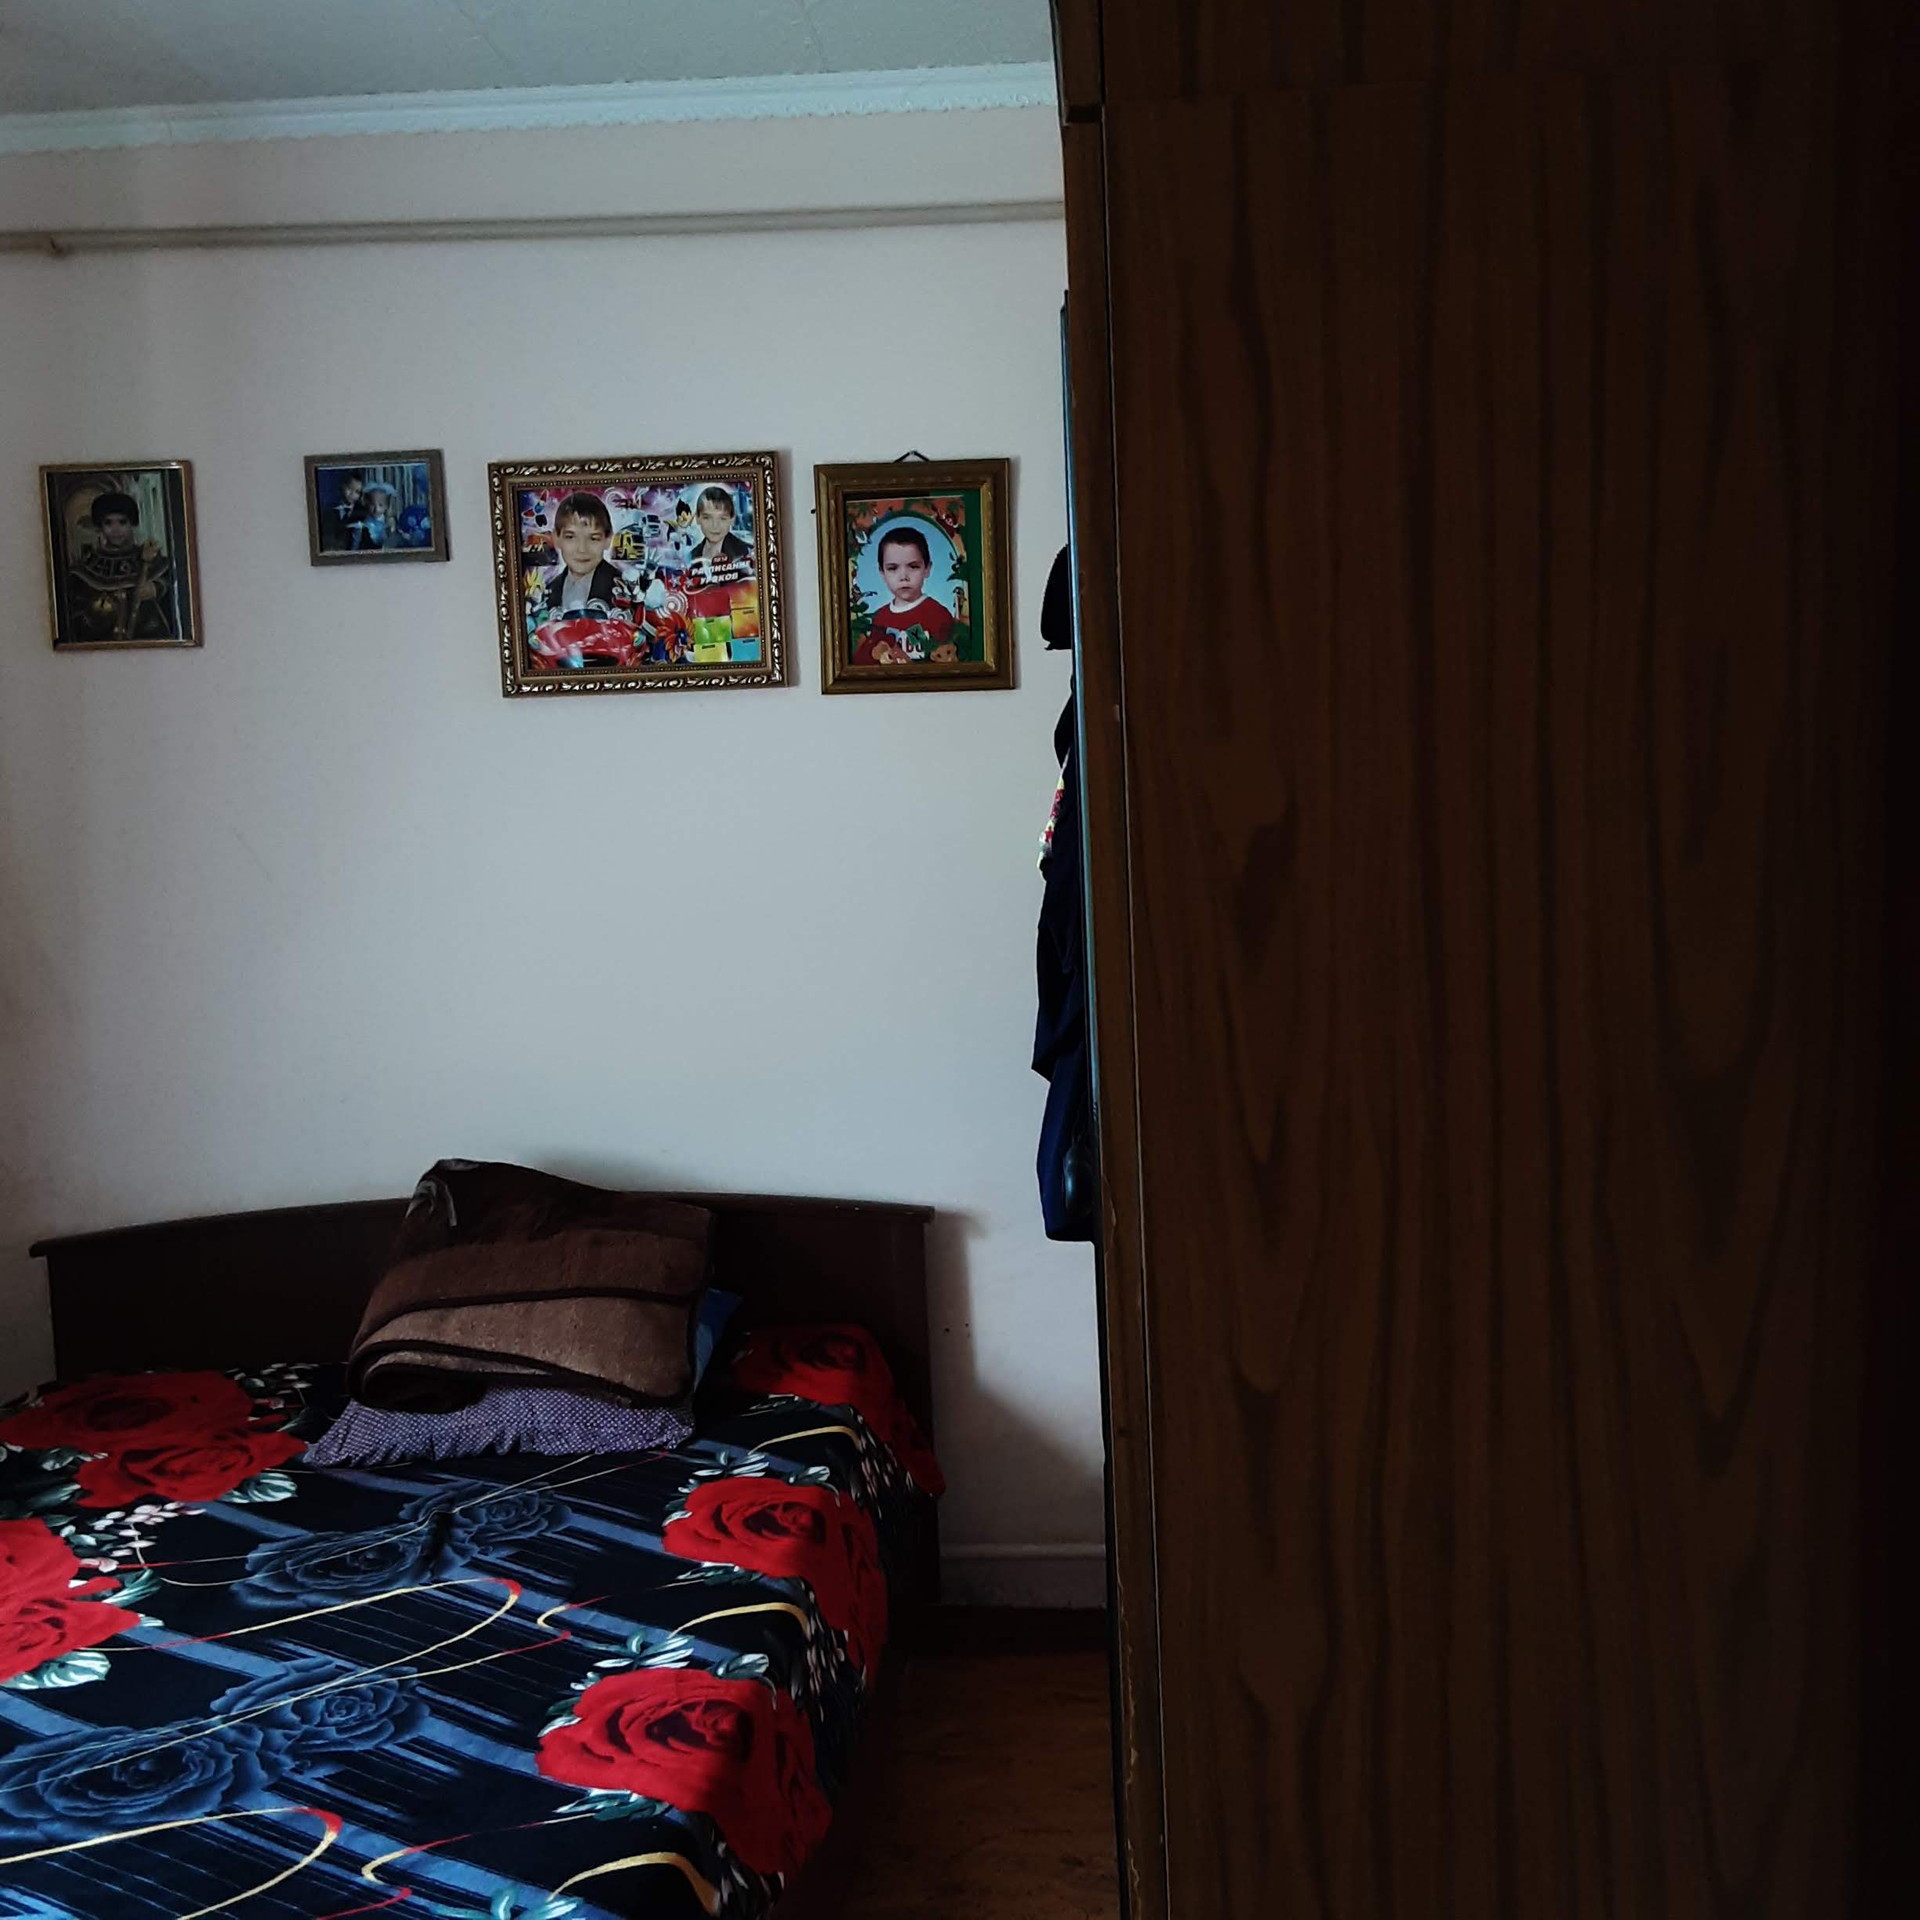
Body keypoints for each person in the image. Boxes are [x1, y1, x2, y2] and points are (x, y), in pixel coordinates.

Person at [66, 488, 175, 643]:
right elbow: (76, 609)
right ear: (100, 526)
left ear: (132, 524)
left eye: (122, 522)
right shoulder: (85, 568)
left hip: (148, 639)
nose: (116, 529)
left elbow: (173, 586)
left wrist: (156, 588)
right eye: (108, 523)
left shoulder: (149, 559)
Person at [853, 523, 958, 664]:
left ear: (927, 569)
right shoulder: (880, 618)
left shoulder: (938, 614)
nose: (903, 576)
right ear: (882, 572)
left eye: (913, 566)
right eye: (893, 568)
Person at [528, 491, 632, 622]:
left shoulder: (624, 590)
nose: (582, 549)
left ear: (608, 539)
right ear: (556, 538)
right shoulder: (549, 592)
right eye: (570, 537)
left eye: (593, 538)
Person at [685, 486, 751, 575]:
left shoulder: (745, 553)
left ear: (732, 519)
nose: (715, 526)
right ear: (697, 518)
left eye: (722, 518)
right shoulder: (691, 557)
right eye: (707, 518)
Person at [321, 472, 365, 552]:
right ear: (342, 486)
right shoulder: (330, 509)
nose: (352, 494)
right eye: (349, 488)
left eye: (357, 492)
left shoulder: (362, 513)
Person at [352, 482, 397, 550]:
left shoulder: (389, 522)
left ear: (386, 506)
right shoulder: (363, 524)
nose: (376, 509)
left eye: (380, 505)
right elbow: (355, 544)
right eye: (372, 505)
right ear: (367, 504)